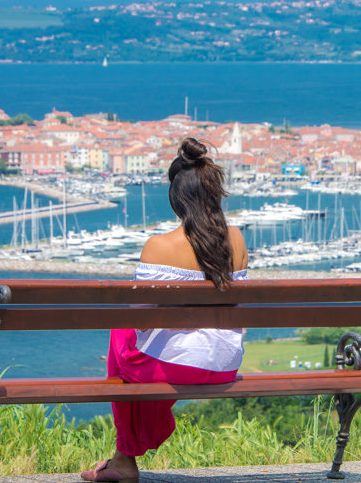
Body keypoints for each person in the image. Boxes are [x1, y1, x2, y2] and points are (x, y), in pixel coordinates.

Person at [81, 137, 248, 482]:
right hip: (224, 366)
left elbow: (138, 319)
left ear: (176, 199)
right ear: (214, 194)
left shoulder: (158, 246)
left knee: (121, 332)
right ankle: (127, 452)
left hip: (176, 370)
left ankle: (124, 458)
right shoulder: (237, 239)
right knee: (145, 347)